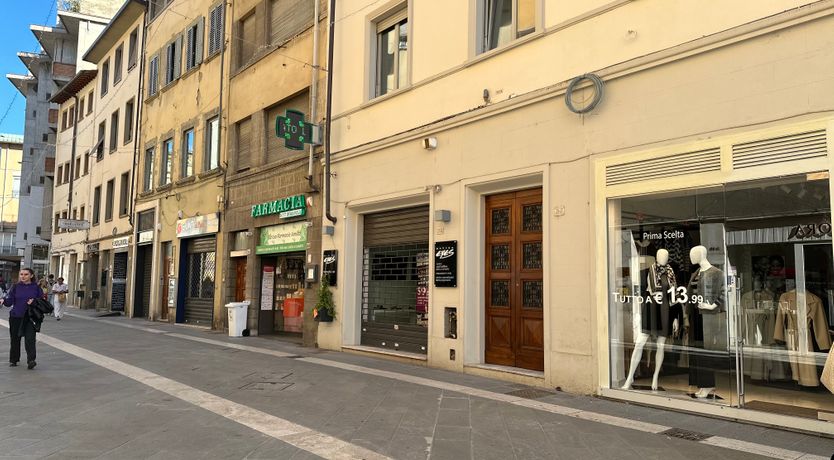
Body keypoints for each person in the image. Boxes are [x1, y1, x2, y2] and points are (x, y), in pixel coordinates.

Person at [4, 268, 44, 369]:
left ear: (31, 276)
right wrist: (3, 301)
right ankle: (14, 359)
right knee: (15, 339)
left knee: (30, 339)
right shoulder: (15, 287)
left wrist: (34, 302)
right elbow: (9, 302)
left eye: (26, 274)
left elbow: (41, 301)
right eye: (21, 274)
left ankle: (31, 360)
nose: (23, 276)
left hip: (30, 317)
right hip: (16, 316)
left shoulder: (36, 287)